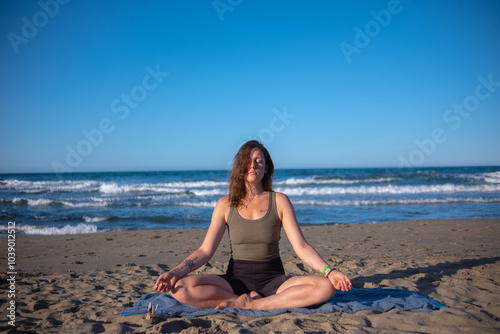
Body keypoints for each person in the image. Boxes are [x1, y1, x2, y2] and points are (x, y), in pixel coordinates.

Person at [154, 140, 352, 310]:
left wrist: (330, 271)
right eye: (248, 160)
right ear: (240, 166)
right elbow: (205, 251)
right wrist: (174, 273)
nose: (253, 165)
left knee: (325, 287)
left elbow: (301, 247)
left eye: (259, 161)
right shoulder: (225, 204)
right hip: (235, 281)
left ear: (266, 168)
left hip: (274, 279)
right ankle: (240, 301)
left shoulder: (280, 201)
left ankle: (254, 305)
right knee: (179, 288)